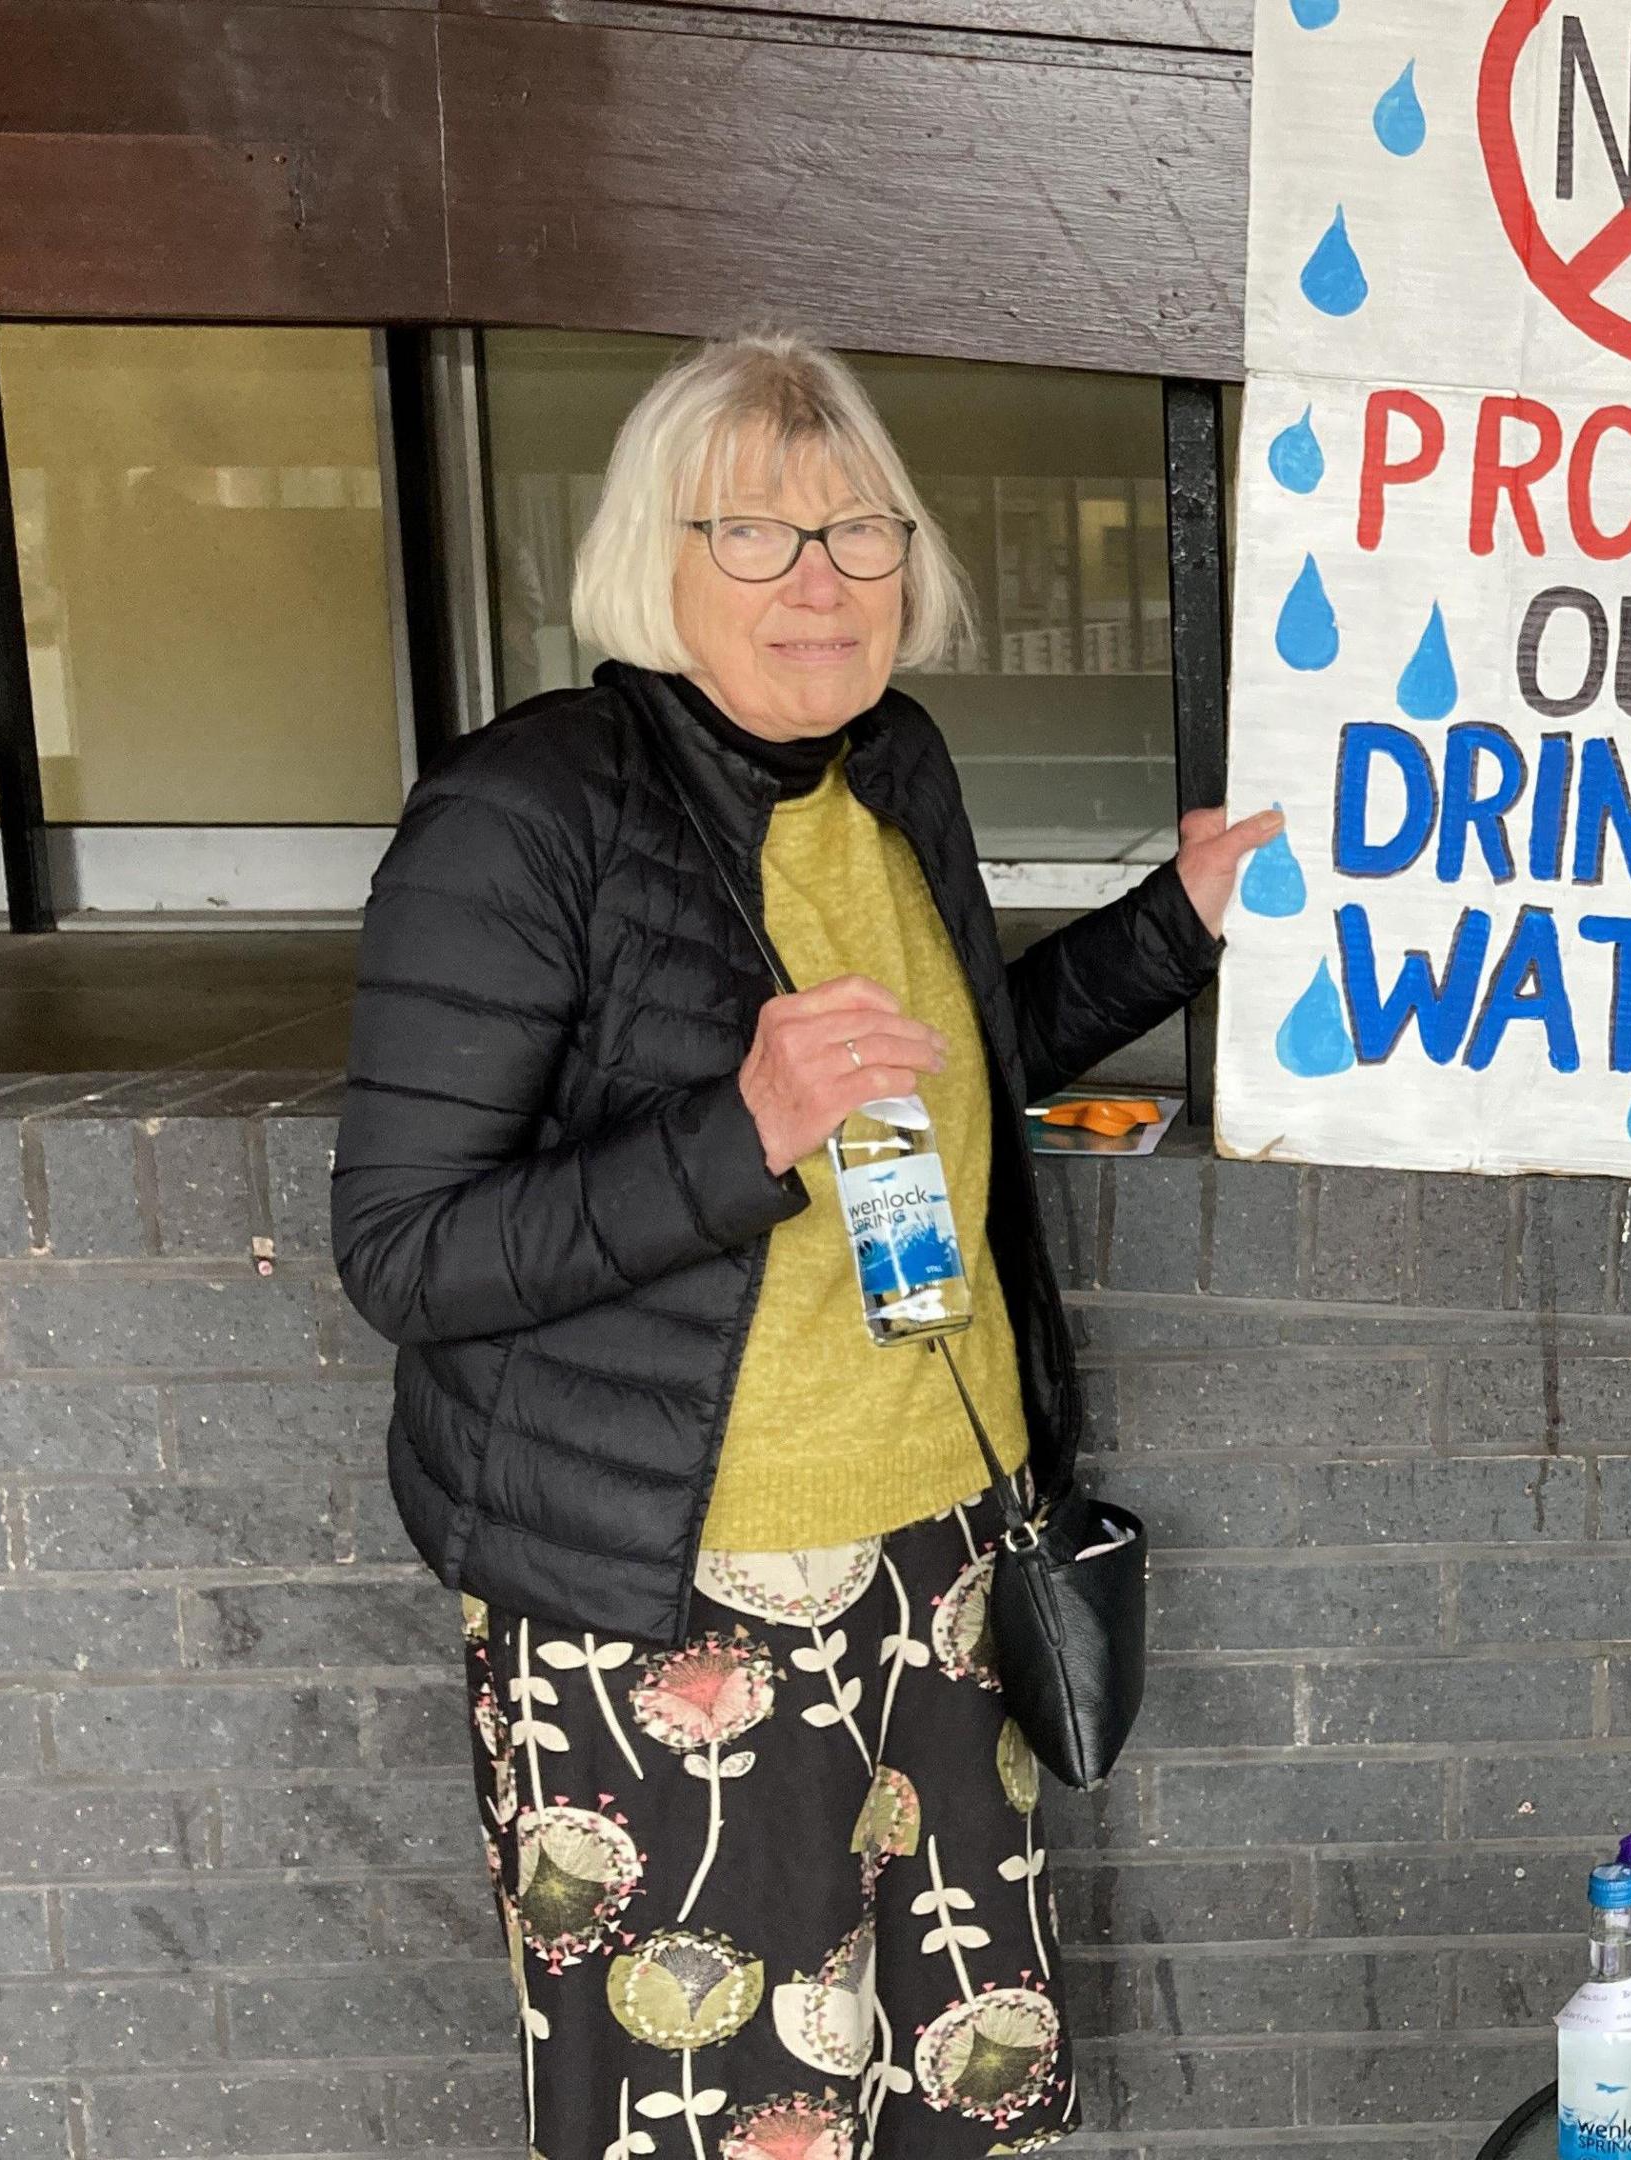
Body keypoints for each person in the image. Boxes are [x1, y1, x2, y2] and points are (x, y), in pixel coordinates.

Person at [331, 332, 1277, 2158]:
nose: (824, 579)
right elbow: (406, 1249)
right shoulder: (523, 813)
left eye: (860, 529)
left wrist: (1183, 921)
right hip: (668, 1608)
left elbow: (950, 1068)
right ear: (652, 560)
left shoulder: (887, 766)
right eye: (755, 534)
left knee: (946, 2085)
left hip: (942, 1556)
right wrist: (737, 1136)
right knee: (720, 2115)